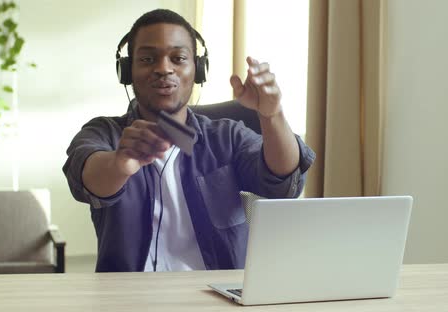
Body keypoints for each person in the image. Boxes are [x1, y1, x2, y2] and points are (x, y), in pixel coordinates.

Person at [63, 9, 315, 272]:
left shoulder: (227, 137)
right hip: (127, 298)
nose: (163, 68)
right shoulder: (104, 132)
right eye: (148, 59)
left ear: (198, 69)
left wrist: (271, 115)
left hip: (216, 296)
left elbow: (283, 183)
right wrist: (120, 163)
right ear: (127, 71)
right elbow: (86, 179)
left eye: (178, 58)